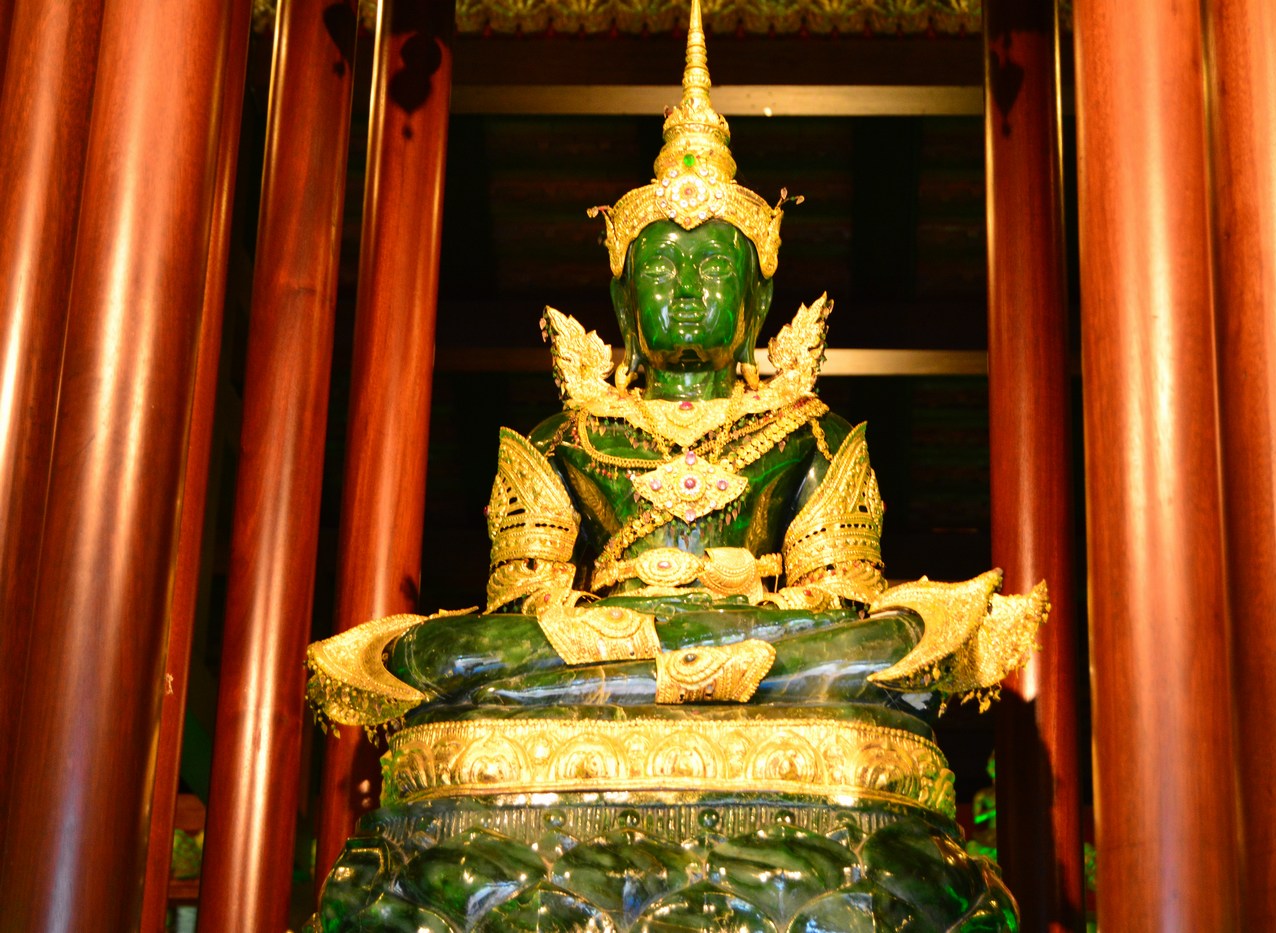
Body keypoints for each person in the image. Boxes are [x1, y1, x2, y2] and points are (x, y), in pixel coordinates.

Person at [306, 3, 1045, 928]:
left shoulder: (815, 436)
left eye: (712, 271)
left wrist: (744, 605)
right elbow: (525, 605)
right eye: (660, 272)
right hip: (603, 647)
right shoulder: (562, 440)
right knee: (446, 655)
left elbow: (843, 604)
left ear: (759, 298)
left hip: (764, 644)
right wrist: (639, 636)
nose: (687, 291)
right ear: (621, 298)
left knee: (887, 648)